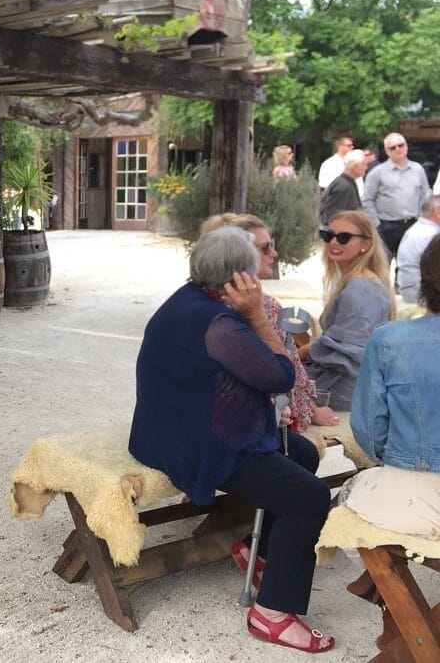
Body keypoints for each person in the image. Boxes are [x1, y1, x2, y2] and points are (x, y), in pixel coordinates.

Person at [129, 226, 333, 653]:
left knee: (304, 454)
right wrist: (258, 315)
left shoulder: (187, 300)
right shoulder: (220, 324)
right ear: (241, 279)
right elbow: (280, 377)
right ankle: (272, 614)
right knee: (310, 496)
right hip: (204, 444)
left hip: (168, 431)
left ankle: (259, 556)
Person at [200, 213, 336, 429]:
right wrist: (310, 411)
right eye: (265, 248)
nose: (274, 253)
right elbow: (284, 371)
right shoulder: (248, 306)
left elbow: (291, 365)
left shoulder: (253, 301)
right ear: (239, 252)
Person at [344, 235, 440, 538]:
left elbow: (370, 432)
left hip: (412, 496)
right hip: (414, 491)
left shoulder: (390, 340)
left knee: (352, 492)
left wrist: (398, 460)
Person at [300, 211, 395, 410]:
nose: (334, 242)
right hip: (350, 382)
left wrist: (306, 351)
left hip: (345, 388)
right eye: (328, 235)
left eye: (344, 237)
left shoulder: (360, 288)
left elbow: (348, 352)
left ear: (366, 245)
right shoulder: (357, 280)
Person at [361, 132, 432, 259]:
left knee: (408, 264)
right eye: (392, 147)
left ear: (406, 146)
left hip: (412, 225)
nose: (398, 149)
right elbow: (367, 199)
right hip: (386, 226)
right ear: (387, 151)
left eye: (400, 145)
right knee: (382, 264)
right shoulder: (377, 173)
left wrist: (422, 219)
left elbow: (426, 195)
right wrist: (377, 224)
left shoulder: (418, 169)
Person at [396, 196, 440, 304]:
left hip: (412, 287)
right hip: (420, 291)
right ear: (438, 212)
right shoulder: (430, 234)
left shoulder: (417, 228)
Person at [318, 149, 367, 225]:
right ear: (354, 166)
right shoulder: (343, 186)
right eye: (364, 164)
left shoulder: (348, 182)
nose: (366, 167)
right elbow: (333, 214)